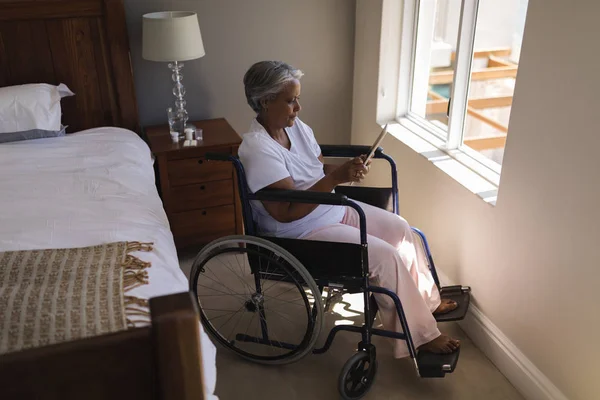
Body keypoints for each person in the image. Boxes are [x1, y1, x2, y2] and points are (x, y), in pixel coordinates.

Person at [238, 60, 460, 357]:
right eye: (290, 101)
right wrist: (334, 178)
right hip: (300, 230)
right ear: (265, 101)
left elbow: (313, 169)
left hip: (330, 208)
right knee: (384, 256)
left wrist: (345, 170)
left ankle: (426, 302)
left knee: (401, 229)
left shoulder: (298, 128)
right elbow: (286, 211)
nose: (298, 107)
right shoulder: (257, 148)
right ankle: (420, 335)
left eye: (298, 99)